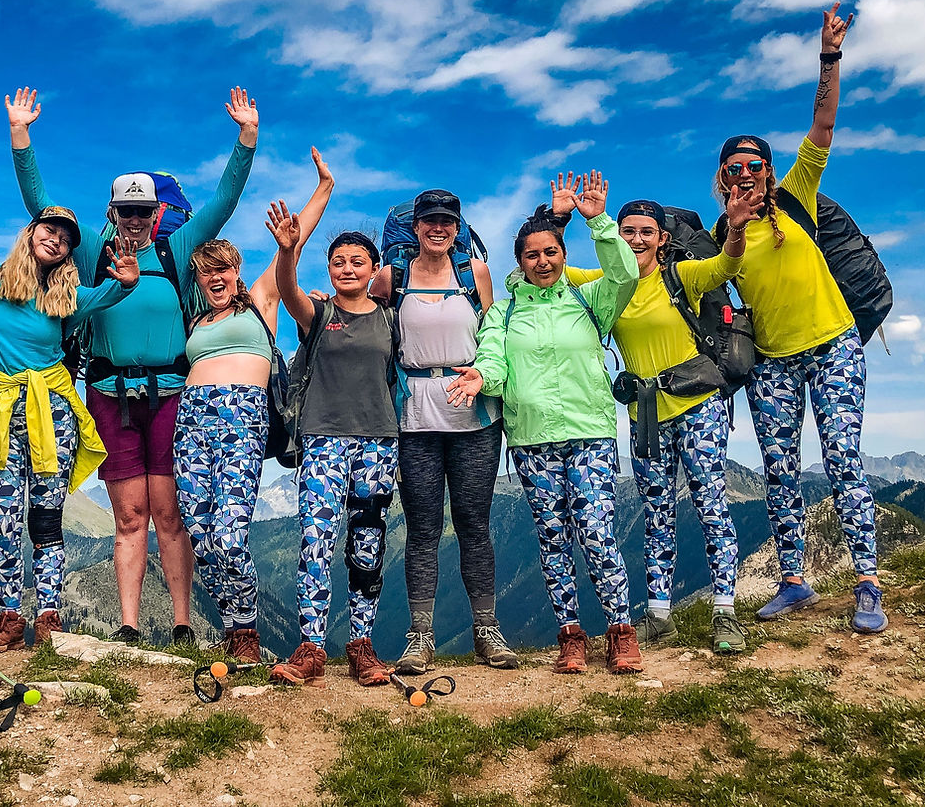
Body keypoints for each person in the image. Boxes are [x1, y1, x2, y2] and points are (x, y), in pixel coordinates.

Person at [10, 86, 258, 646]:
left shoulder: (176, 249)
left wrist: (246, 139)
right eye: (126, 212)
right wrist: (21, 138)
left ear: (158, 213)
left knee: (169, 514)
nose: (135, 221)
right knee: (129, 516)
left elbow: (224, 201)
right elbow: (40, 207)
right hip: (108, 393)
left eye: (144, 212)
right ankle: (126, 625)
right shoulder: (94, 249)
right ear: (113, 213)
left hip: (172, 394)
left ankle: (181, 624)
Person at [714, 2, 886, 634]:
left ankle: (867, 580)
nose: (746, 176)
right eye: (734, 169)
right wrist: (731, 233)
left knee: (844, 460)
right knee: (779, 465)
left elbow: (823, 124)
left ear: (767, 169)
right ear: (723, 178)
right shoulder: (720, 231)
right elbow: (720, 285)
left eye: (755, 165)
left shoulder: (795, 196)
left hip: (833, 343)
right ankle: (794, 581)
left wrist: (829, 58)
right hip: (772, 362)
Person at [448, 173, 643, 674]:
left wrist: (599, 220)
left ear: (562, 253)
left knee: (596, 532)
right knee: (552, 538)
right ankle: (571, 635)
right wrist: (479, 377)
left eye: (550, 252)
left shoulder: (589, 300)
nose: (542, 262)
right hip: (532, 440)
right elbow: (494, 361)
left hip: (588, 433)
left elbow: (625, 275)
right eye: (532, 255)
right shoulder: (505, 312)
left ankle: (621, 632)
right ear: (521, 262)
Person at [557, 181, 763, 654]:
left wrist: (734, 230)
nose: (634, 239)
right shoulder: (608, 283)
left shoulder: (682, 276)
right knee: (656, 513)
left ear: (662, 238)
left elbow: (726, 267)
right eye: (627, 231)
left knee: (711, 505)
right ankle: (659, 615)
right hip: (645, 413)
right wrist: (576, 217)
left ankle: (725, 614)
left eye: (645, 232)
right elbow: (550, 268)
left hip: (697, 405)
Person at [0, 200, 141, 651]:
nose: (57, 239)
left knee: (45, 520)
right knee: (2, 518)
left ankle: (47, 618)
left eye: (66, 238)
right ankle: (8, 618)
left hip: (52, 414)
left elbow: (112, 294)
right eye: (50, 229)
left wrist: (128, 280)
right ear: (31, 231)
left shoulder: (67, 300)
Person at [177, 147, 335, 662]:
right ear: (199, 279)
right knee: (200, 531)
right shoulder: (196, 321)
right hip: (191, 423)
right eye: (207, 272)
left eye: (224, 268)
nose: (216, 278)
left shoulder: (259, 301)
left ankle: (245, 630)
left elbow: (297, 240)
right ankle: (231, 622)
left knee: (229, 528)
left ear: (237, 268)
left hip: (241, 417)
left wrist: (323, 189)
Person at [367, 190, 516, 673]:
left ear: (458, 229)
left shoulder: (476, 275)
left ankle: (487, 631)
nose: (438, 229)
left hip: (475, 413)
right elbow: (367, 324)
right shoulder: (392, 277)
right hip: (414, 417)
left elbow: (492, 335)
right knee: (423, 528)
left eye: (447, 222)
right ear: (415, 227)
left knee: (475, 523)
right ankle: (420, 637)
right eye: (429, 220)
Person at [267, 213, 399, 689]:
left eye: (357, 262)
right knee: (316, 541)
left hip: (379, 441)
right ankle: (311, 648)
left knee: (367, 543)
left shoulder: (390, 319)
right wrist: (287, 251)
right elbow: (287, 293)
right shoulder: (320, 316)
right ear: (328, 269)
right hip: (322, 439)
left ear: (372, 269)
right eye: (338, 261)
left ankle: (362, 646)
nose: (347, 268)